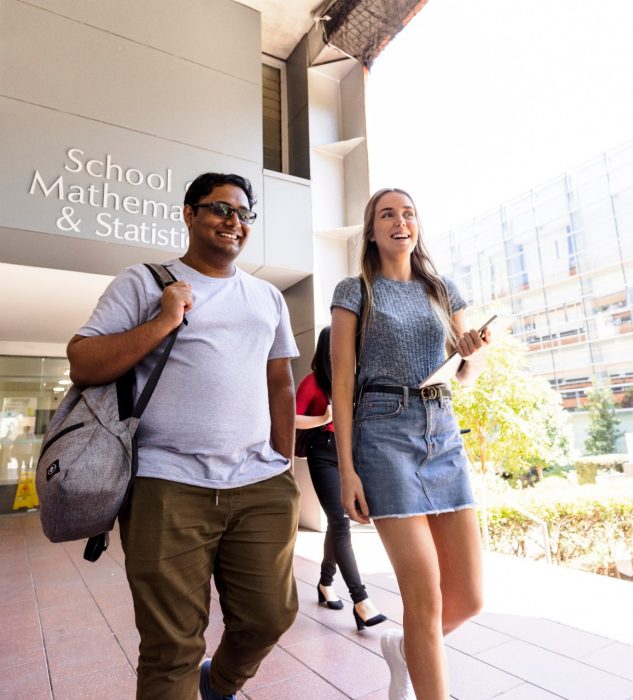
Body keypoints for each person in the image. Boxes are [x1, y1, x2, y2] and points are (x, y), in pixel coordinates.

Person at [67, 172, 300, 700]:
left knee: (270, 616)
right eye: (220, 209)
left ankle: (219, 686)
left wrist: (283, 462)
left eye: (243, 214)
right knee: (170, 647)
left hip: (259, 483)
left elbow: (280, 381)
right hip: (166, 482)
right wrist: (164, 319)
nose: (233, 222)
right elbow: (82, 361)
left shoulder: (266, 296)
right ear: (189, 214)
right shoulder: (145, 282)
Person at [330, 188, 491, 700]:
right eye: (387, 215)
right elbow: (340, 381)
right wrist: (347, 470)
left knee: (466, 599)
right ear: (372, 231)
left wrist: (473, 350)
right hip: (382, 432)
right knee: (423, 596)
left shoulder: (443, 290)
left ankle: (404, 650)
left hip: (442, 430)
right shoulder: (355, 290)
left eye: (408, 214)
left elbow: (468, 375)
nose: (400, 222)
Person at [295, 326, 387, 630]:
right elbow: (289, 417)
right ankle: (361, 601)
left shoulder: (354, 382)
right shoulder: (313, 382)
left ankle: (325, 583)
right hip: (323, 452)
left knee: (338, 522)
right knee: (339, 521)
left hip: (351, 455)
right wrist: (323, 418)